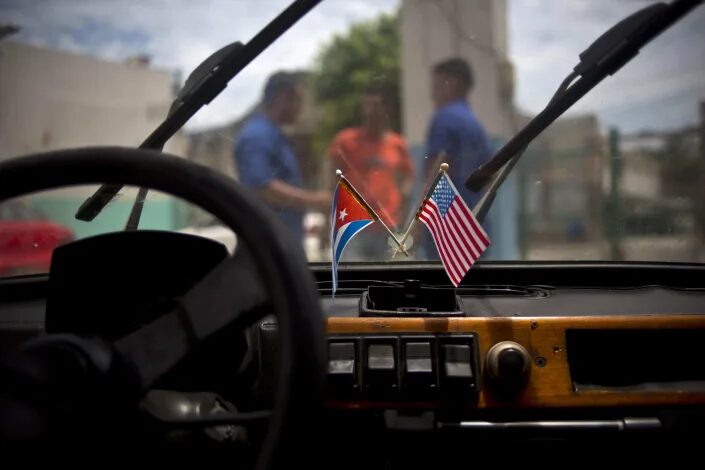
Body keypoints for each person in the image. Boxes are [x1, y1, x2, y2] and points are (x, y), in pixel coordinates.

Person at [234, 71, 330, 244]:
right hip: (267, 247)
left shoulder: (274, 135)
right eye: (299, 101)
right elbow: (262, 188)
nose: (300, 108)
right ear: (284, 98)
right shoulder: (257, 136)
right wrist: (317, 200)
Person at [327, 87, 415, 260]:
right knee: (353, 280)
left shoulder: (397, 143)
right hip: (354, 226)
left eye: (376, 105)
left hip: (388, 225)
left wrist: (404, 196)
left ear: (386, 109)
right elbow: (331, 180)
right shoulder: (345, 141)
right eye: (367, 105)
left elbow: (408, 175)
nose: (370, 111)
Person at [423, 58, 493, 257]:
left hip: (447, 229)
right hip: (476, 225)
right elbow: (490, 175)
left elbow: (434, 173)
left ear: (453, 82)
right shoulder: (476, 125)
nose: (432, 93)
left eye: (436, 85)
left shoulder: (443, 117)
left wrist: (416, 227)